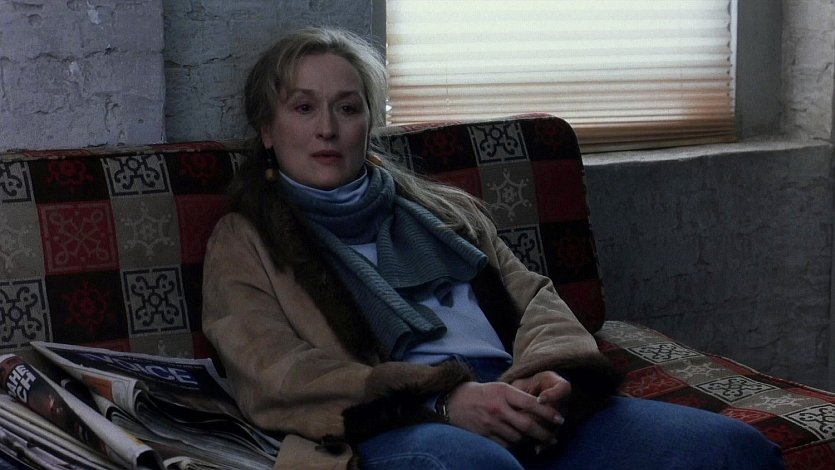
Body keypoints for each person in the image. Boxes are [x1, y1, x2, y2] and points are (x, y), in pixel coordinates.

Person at [202, 26, 785, 470]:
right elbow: (275, 374)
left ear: (368, 124)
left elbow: (536, 301)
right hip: (395, 422)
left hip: (522, 393)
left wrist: (547, 374)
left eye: (347, 108)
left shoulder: (444, 211)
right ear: (268, 129)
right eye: (303, 107)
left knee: (734, 449)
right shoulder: (244, 239)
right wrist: (443, 401)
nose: (327, 128)